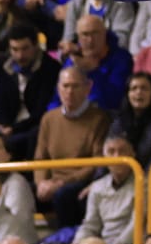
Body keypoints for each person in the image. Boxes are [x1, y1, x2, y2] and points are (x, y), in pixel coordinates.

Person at [34, 65, 111, 228]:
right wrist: (41, 183)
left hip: (80, 181)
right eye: (65, 86)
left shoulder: (99, 119)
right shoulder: (49, 118)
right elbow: (40, 157)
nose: (70, 91)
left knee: (64, 196)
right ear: (58, 88)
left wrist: (62, 182)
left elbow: (98, 161)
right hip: (52, 181)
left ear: (87, 88)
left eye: (75, 86)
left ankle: (67, 242)